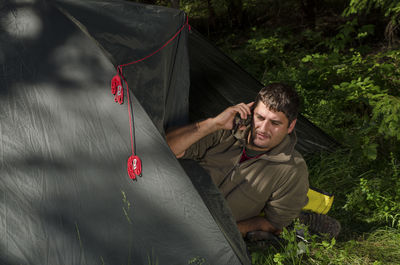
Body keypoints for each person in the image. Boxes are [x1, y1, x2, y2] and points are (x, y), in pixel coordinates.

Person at [166, 83, 309, 237]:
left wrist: (222, 234)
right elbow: (166, 148)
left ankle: (304, 221)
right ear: (251, 111)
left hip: (208, 237)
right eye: (260, 117)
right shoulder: (224, 130)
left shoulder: (292, 169)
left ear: (290, 126)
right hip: (168, 209)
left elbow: (273, 223)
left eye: (275, 123)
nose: (263, 128)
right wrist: (213, 123)